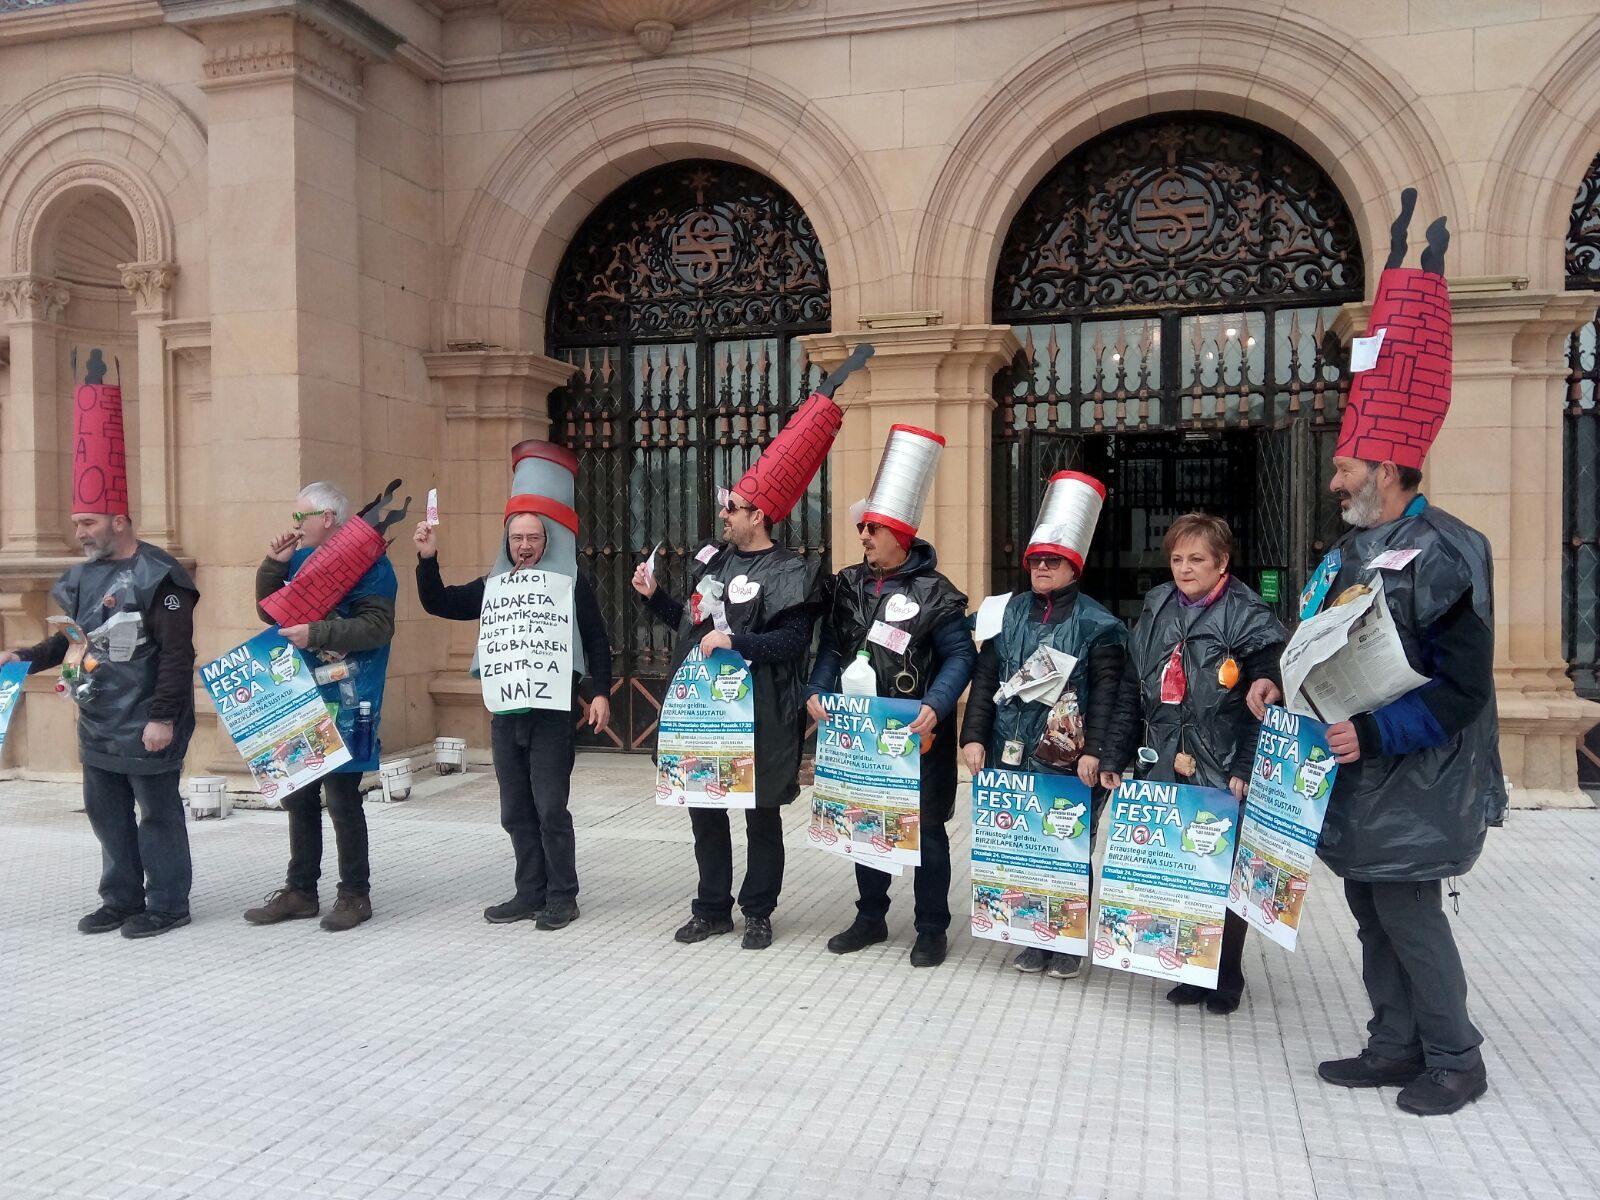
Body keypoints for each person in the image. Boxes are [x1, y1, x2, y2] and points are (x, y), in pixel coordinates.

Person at [1250, 192, 1502, 1116]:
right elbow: (1312, 644)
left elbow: (1464, 687)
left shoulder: (1448, 552)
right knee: (1368, 912)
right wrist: (1279, 680)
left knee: (1409, 916)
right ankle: (1392, 1045)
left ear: (1390, 469)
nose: (1336, 475)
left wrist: (1376, 733)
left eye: (1349, 464)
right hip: (1352, 776)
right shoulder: (1341, 552)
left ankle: (1456, 1058)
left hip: (1417, 775)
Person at [634, 349, 867, 950]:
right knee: (704, 812)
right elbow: (692, 632)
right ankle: (711, 906)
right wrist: (654, 597)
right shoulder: (713, 558)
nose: (724, 514)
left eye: (732, 507)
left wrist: (733, 641)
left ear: (759, 513)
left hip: (762, 708)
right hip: (705, 712)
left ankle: (758, 910)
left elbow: (791, 642)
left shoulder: (793, 570)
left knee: (761, 817)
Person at [0, 349, 198, 938]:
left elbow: (178, 654)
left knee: (156, 815)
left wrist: (163, 717)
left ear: (118, 517)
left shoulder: (161, 576)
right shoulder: (84, 575)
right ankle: (120, 898)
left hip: (146, 718)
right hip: (98, 715)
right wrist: (26, 657)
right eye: (76, 522)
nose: (78, 532)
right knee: (107, 815)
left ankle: (166, 904)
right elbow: (75, 639)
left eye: (88, 522)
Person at [415, 441, 611, 931]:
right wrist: (427, 557)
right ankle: (530, 892)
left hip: (551, 715)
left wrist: (602, 690)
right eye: (517, 537)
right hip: (506, 715)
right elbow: (439, 602)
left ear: (548, 541)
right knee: (515, 810)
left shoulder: (570, 584)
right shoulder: (493, 587)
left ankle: (562, 896)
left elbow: (597, 639)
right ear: (507, 540)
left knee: (550, 807)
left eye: (533, 537)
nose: (524, 545)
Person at [809, 425, 976, 969]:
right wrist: (817, 688)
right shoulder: (847, 584)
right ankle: (871, 917)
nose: (863, 535)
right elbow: (833, 648)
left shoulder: (936, 592)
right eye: (862, 527)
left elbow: (960, 657)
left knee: (926, 829)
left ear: (901, 535)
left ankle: (931, 927)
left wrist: (938, 704)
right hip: (860, 728)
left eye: (874, 528)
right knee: (866, 819)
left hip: (916, 731)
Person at [959, 470, 1135, 980]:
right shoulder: (1002, 612)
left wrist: (1095, 752)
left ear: (1072, 566)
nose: (1041, 567)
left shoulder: (1099, 623)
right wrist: (973, 737)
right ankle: (1032, 934)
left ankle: (1068, 941)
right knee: (1021, 845)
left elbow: (1108, 695)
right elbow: (985, 676)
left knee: (1067, 845)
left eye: (1052, 560)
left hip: (1065, 757)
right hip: (1007, 750)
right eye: (1036, 559)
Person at [1113, 512, 1285, 1012]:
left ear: (1221, 562)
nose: (1184, 569)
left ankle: (1226, 974)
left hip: (1224, 762)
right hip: (1165, 759)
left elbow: (1267, 701)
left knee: (1223, 871)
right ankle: (1191, 966)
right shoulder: (1157, 605)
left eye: (1196, 559)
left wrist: (1246, 768)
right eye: (1177, 559)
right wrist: (1119, 754)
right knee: (1179, 869)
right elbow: (1131, 685)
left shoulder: (1249, 616)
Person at [243, 482, 398, 933]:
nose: (294, 526)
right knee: (299, 791)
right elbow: (271, 611)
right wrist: (273, 566)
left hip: (348, 695)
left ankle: (355, 894)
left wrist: (318, 633)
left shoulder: (371, 563)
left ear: (328, 518)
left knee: (343, 798)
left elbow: (376, 626)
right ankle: (300, 892)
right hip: (298, 691)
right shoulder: (300, 559)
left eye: (301, 518)